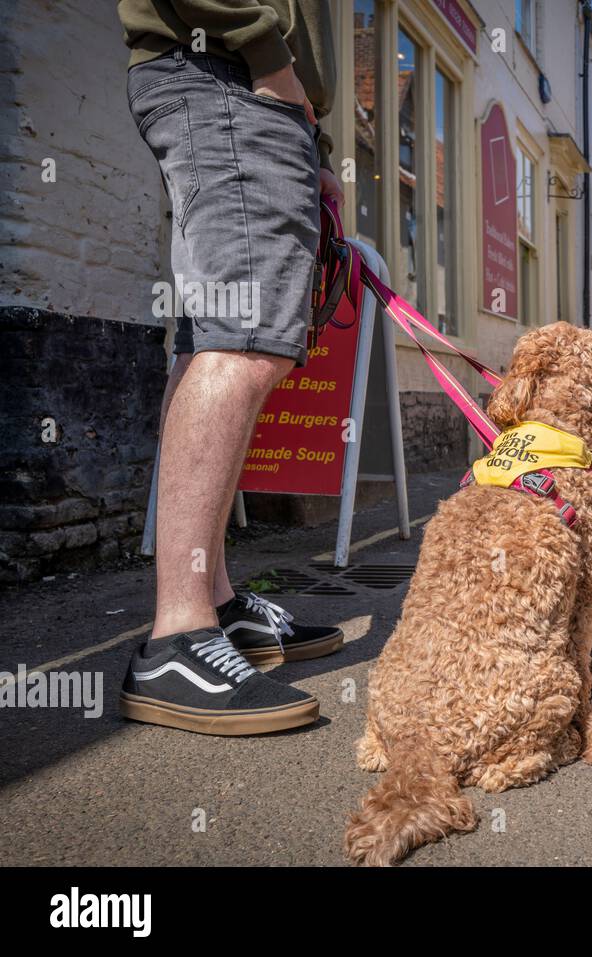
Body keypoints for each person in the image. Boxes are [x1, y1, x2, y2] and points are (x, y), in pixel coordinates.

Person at [116, 1, 347, 735]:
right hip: (228, 73)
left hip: (242, 82)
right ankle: (178, 637)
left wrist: (313, 139)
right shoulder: (241, 59)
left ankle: (210, 605)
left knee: (214, 340)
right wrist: (268, 59)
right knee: (242, 345)